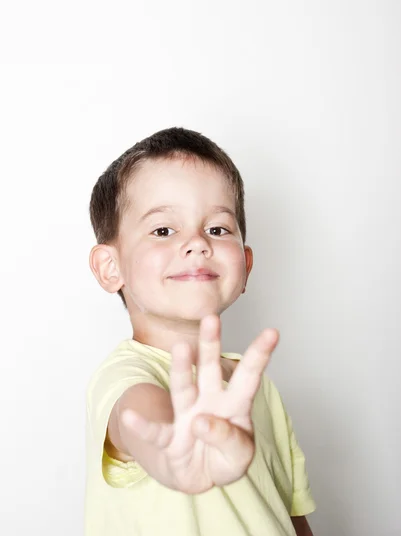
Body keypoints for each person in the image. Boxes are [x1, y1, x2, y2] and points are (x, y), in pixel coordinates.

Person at [85, 127, 316, 536]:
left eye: (218, 229)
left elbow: (289, 514)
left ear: (245, 264)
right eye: (163, 230)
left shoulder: (255, 386)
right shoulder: (125, 377)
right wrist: (170, 451)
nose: (196, 243)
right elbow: (135, 420)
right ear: (110, 267)